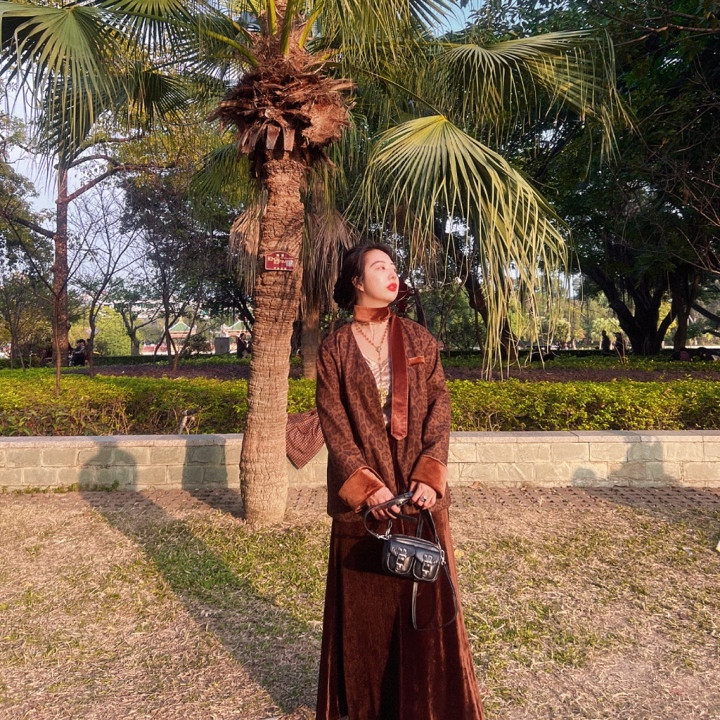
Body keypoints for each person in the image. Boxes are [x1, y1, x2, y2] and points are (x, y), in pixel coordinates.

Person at [315, 244, 485, 720]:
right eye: (379, 267)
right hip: (367, 505)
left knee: (425, 604)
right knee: (368, 613)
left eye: (393, 266)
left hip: (418, 497)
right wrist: (369, 488)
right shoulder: (334, 348)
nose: (392, 273)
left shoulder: (417, 338)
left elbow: (440, 408)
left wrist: (430, 473)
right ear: (356, 281)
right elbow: (334, 423)